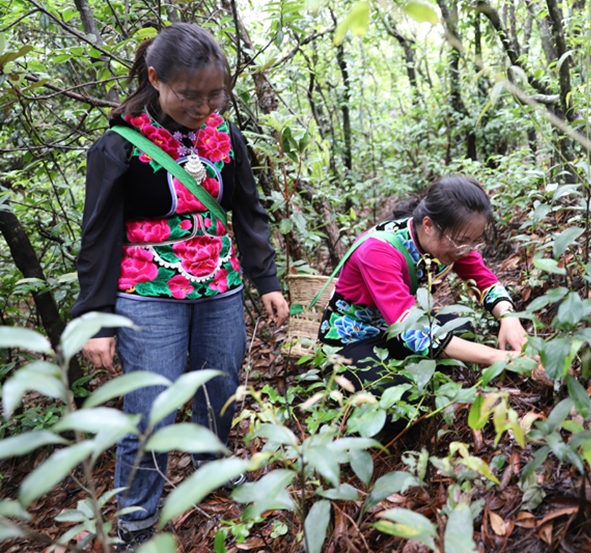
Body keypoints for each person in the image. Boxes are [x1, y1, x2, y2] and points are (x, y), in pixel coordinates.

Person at [71, 23, 288, 550]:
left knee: (220, 385)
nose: (204, 106)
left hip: (220, 283)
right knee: (152, 407)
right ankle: (137, 517)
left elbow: (248, 210)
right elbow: (99, 235)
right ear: (155, 79)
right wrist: (96, 318)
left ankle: (211, 466)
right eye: (191, 95)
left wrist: (266, 278)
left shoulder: (224, 135)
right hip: (147, 291)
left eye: (216, 95)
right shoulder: (119, 145)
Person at [318, 175, 529, 401]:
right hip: (353, 338)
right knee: (399, 396)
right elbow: (409, 328)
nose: (467, 250)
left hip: (391, 331)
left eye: (474, 241)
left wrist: (509, 318)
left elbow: (484, 280)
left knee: (462, 329)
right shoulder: (378, 250)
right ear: (428, 225)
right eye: (461, 241)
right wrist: (498, 357)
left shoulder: (452, 243)